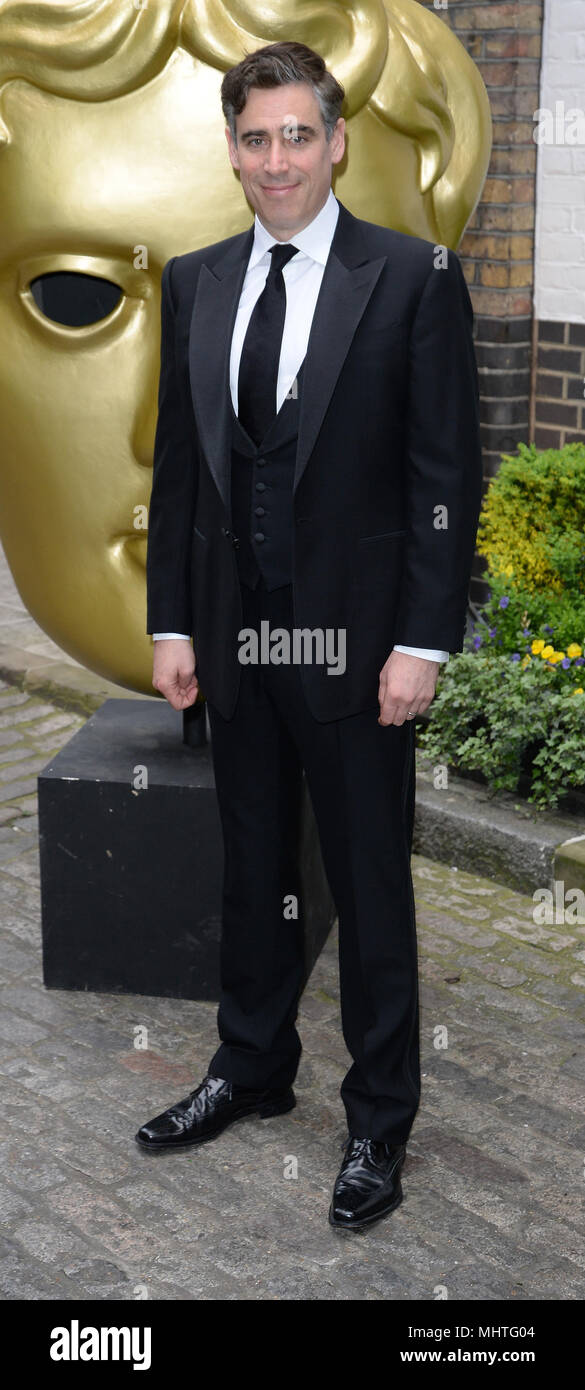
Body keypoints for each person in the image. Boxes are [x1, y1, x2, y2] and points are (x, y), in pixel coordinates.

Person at [138, 40, 483, 1232]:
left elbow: (448, 474)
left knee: (371, 888)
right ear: (231, 149)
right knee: (252, 873)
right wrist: (173, 620)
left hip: (358, 651)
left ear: (336, 142)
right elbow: (183, 471)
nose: (276, 157)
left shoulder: (411, 278)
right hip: (236, 644)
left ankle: (379, 1119)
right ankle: (252, 1064)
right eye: (254, 136)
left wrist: (423, 644)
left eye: (297, 134)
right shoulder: (198, 280)